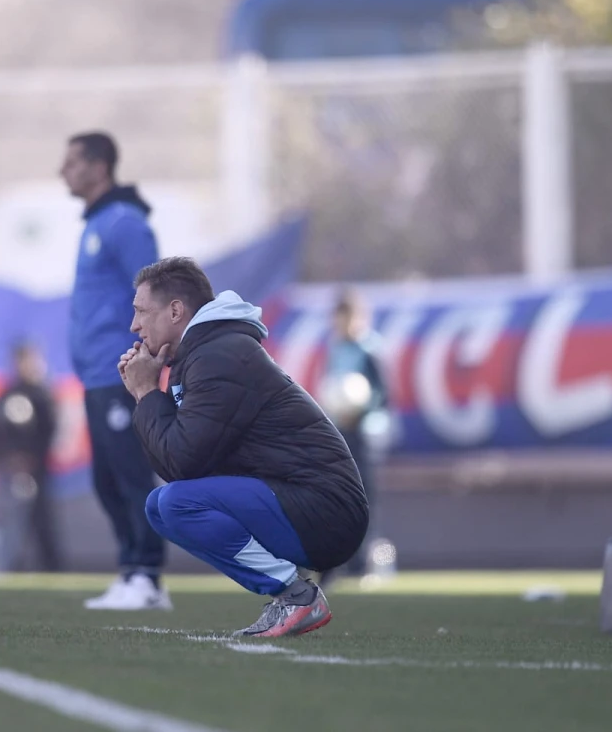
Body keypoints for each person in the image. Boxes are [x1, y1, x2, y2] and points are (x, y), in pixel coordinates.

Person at [119, 257, 368, 637]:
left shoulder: (219, 356)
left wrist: (146, 394)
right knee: (160, 505)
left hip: (326, 509)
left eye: (140, 311)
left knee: (174, 503)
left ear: (175, 311)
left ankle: (296, 595)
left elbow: (182, 463)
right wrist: (149, 397)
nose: (134, 325)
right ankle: (290, 593)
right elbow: (181, 464)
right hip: (301, 498)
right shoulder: (202, 355)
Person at [61, 131, 169, 610]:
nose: (63, 171)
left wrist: (146, 358)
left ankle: (147, 576)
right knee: (107, 481)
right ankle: (132, 572)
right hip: (97, 377)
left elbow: (157, 292)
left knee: (129, 476)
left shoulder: (124, 223)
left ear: (100, 167)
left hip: (124, 373)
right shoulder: (96, 223)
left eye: (72, 163)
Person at [317, 287, 390, 581]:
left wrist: (360, 409)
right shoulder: (335, 348)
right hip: (340, 431)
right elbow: (331, 386)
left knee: (365, 497)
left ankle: (367, 562)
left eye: (347, 317)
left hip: (365, 432)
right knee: (336, 496)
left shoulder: (369, 348)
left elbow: (382, 394)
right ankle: (336, 563)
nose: (342, 324)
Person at [0, 341, 62, 572]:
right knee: (9, 522)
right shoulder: (6, 395)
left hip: (35, 471)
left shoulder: (42, 396)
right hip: (7, 471)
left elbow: (48, 432)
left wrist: (31, 458)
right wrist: (2, 458)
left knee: (41, 521)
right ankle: (7, 566)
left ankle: (52, 569)